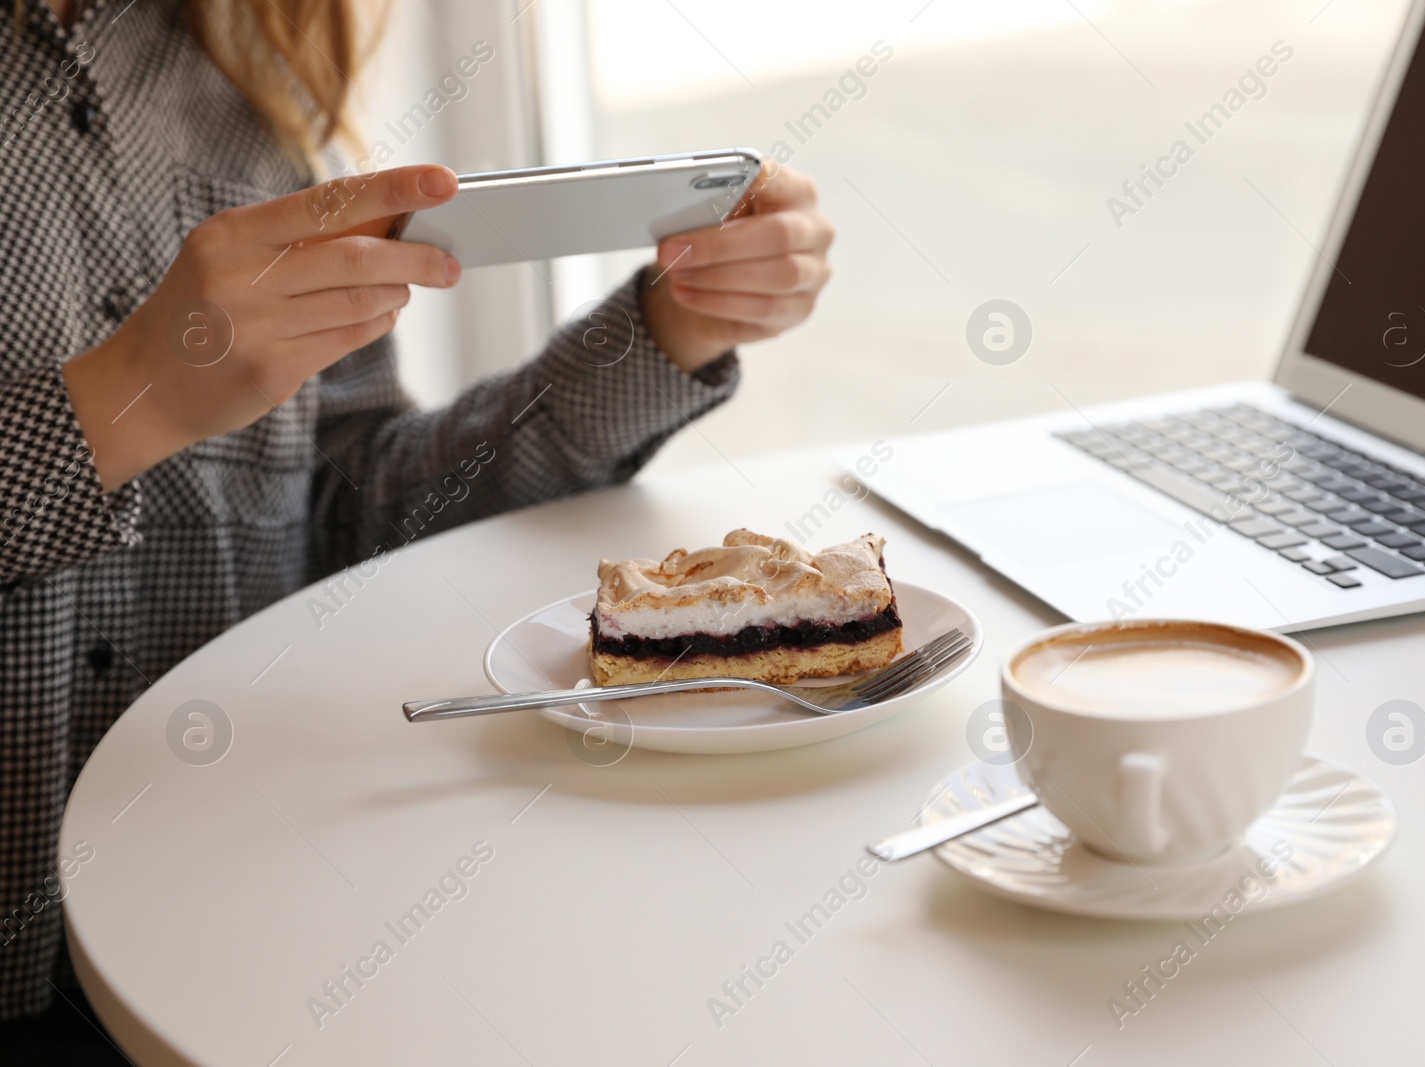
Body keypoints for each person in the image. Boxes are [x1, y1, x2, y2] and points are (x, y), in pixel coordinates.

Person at [0, 0, 834, 1055]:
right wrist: (131, 399)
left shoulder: (246, 83)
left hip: (243, 912)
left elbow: (352, 515)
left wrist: (665, 334)